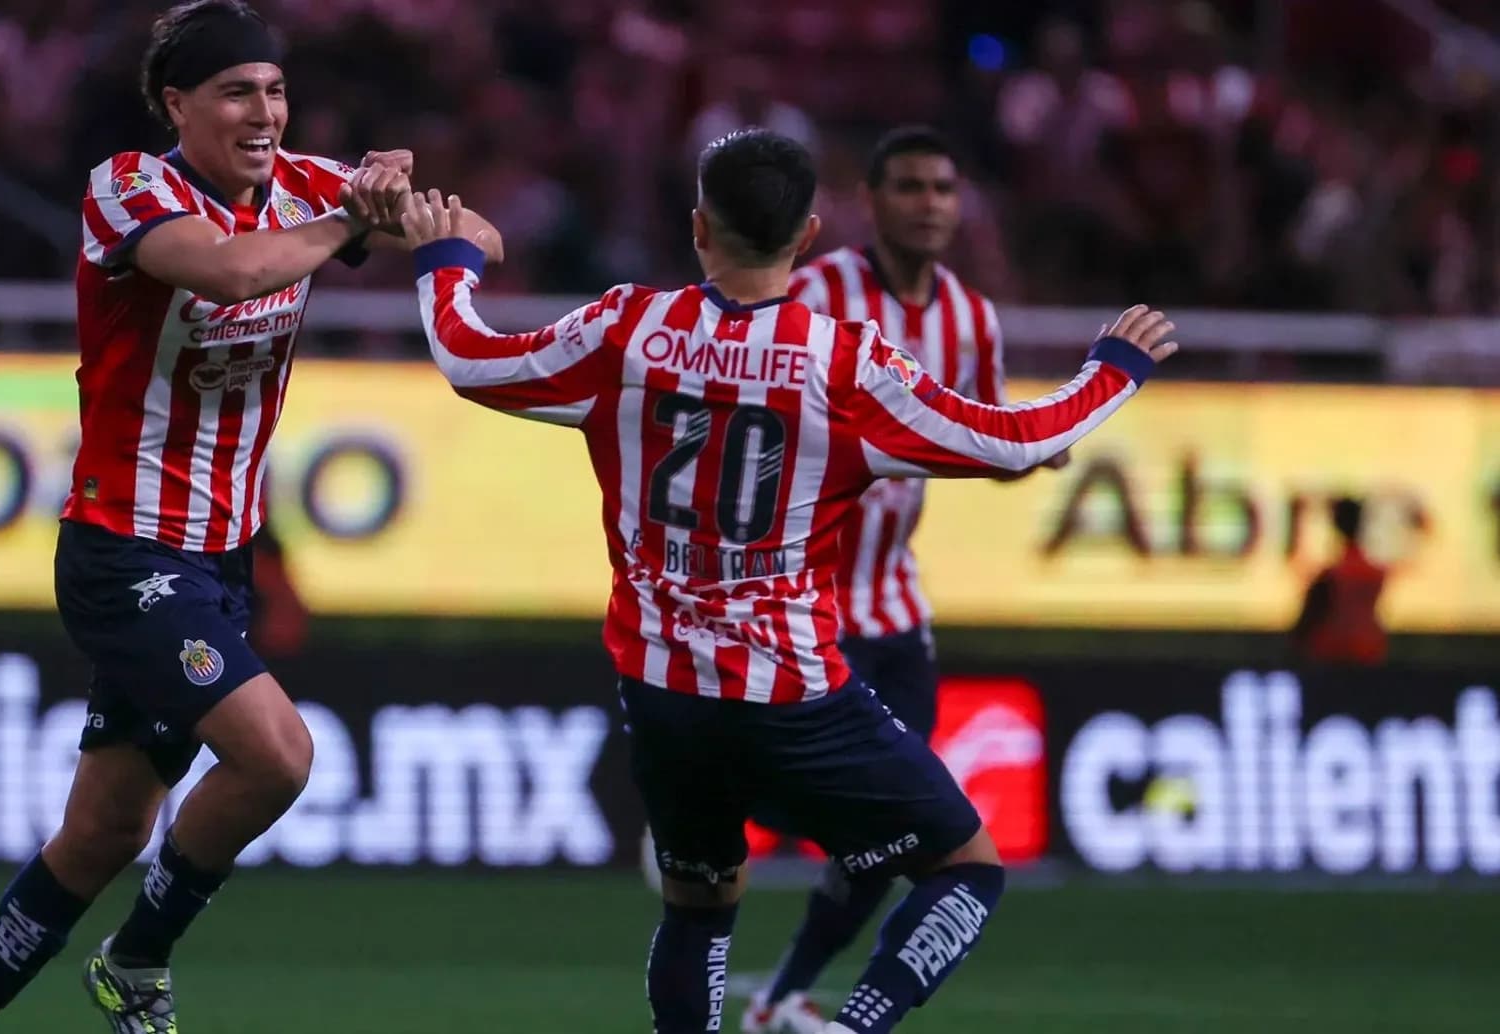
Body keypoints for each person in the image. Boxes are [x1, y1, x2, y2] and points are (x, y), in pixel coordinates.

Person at [398, 129, 1176, 1034]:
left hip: (662, 689)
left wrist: (444, 258)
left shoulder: (626, 329)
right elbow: (1018, 441)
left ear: (699, 228)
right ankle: (855, 1024)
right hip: (792, 692)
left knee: (698, 906)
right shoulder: (844, 364)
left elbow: (465, 355)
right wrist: (1116, 369)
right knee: (966, 866)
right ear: (809, 237)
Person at [0, 3, 500, 1033]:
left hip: (220, 557)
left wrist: (417, 218)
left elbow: (476, 233)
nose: (263, 110)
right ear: (177, 104)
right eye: (235, 91)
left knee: (101, 830)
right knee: (280, 754)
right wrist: (357, 217)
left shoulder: (313, 188)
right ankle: (137, 957)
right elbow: (230, 269)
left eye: (273, 88)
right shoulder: (126, 190)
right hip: (124, 546)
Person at [742, 125, 1066, 1034]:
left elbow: (981, 434)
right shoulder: (816, 292)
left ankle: (778, 999)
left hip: (895, 606)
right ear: (873, 201)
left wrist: (1033, 454)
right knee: (861, 821)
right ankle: (716, 812)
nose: (930, 204)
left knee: (891, 834)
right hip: (805, 605)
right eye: (911, 187)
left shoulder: (971, 317)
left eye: (944, 189)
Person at [1289, 496, 1389, 665]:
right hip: (1369, 654)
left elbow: (1307, 623)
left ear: (1336, 525)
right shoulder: (1376, 572)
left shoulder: (1333, 575)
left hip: (1332, 658)